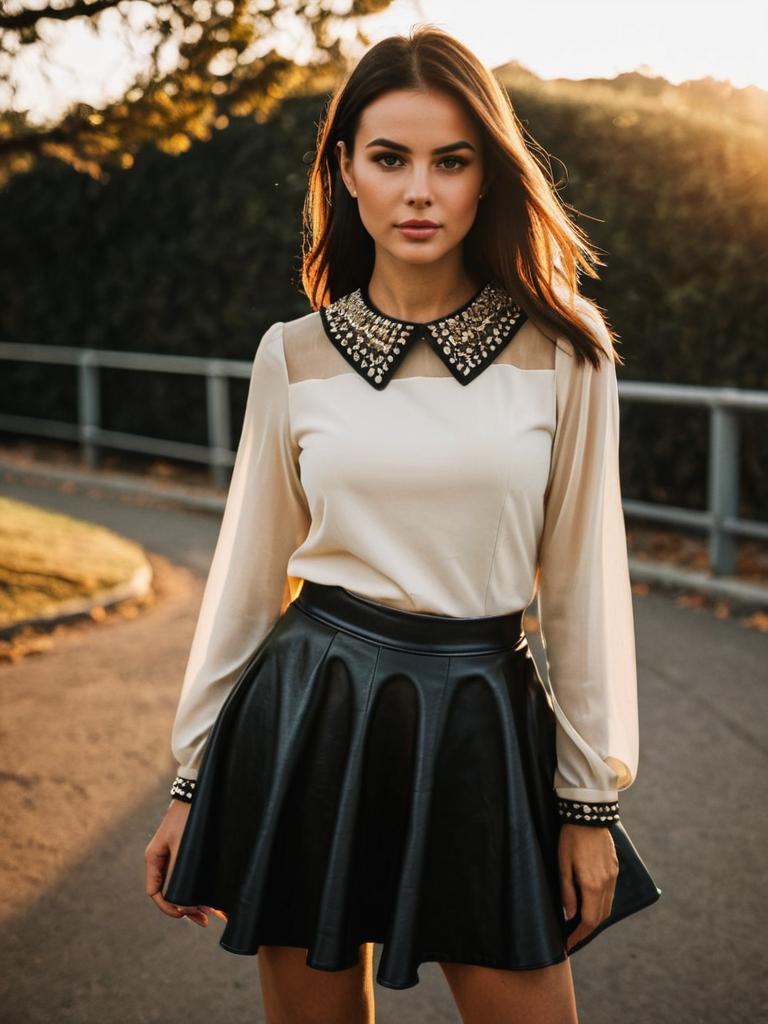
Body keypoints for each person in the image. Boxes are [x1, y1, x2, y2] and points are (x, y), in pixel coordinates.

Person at [144, 24, 661, 1024]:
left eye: (450, 161)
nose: (419, 190)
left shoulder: (569, 352)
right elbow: (248, 584)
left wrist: (589, 802)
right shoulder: (290, 356)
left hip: (482, 721)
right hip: (304, 717)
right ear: (345, 171)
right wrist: (191, 778)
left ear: (485, 178)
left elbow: (587, 590)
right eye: (390, 158)